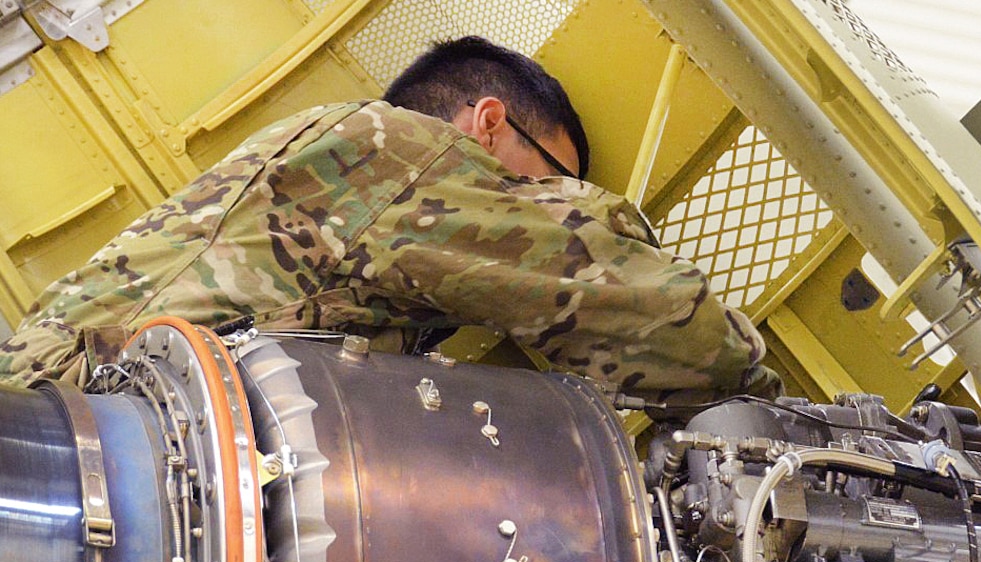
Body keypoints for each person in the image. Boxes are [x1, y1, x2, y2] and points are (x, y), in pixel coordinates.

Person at [0, 36, 780, 403]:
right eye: (550, 176)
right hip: (83, 433)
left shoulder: (339, 161)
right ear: (488, 123)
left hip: (68, 422)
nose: (545, 199)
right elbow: (672, 333)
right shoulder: (404, 154)